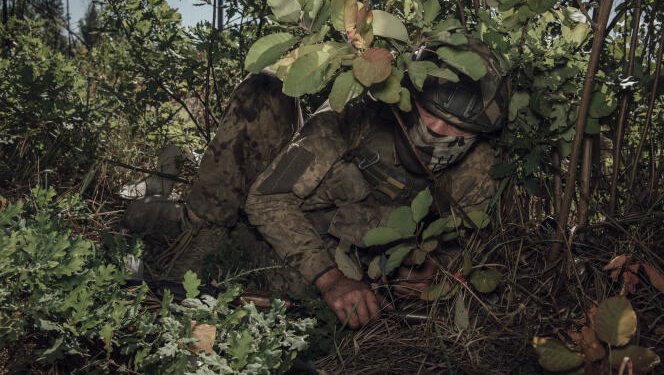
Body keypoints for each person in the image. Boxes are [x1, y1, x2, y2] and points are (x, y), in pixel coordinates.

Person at [124, 37, 508, 329]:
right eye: (430, 114)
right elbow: (268, 199)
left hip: (311, 254)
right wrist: (331, 280)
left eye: (459, 128)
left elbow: (465, 252)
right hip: (249, 212)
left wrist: (430, 272)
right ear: (409, 94)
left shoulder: (479, 167)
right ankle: (164, 207)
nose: (438, 132)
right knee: (145, 219)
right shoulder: (357, 113)